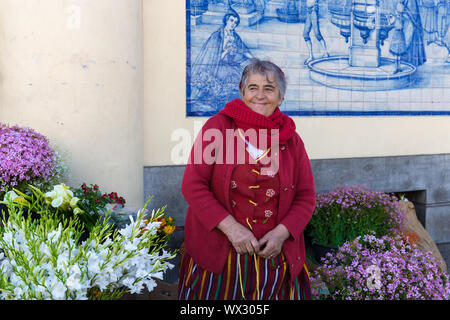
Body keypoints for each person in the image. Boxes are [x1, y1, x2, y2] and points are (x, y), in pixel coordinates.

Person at [179, 59, 316, 300]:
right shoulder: (218, 128)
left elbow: (305, 197)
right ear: (242, 92)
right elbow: (193, 185)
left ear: (281, 97)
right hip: (220, 258)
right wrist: (231, 228)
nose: (260, 95)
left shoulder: (292, 140)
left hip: (274, 258)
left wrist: (281, 234)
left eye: (269, 88)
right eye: (252, 87)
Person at [190, 9, 253, 113]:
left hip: (230, 65)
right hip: (216, 65)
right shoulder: (217, 36)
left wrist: (254, 59)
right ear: (226, 20)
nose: (233, 24)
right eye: (231, 20)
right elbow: (213, 57)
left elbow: (244, 49)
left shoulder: (235, 36)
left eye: (235, 22)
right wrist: (226, 51)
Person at [303, 0, 329, 65]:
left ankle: (326, 53)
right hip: (308, 11)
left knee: (317, 33)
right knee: (305, 34)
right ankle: (311, 56)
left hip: (313, 10)